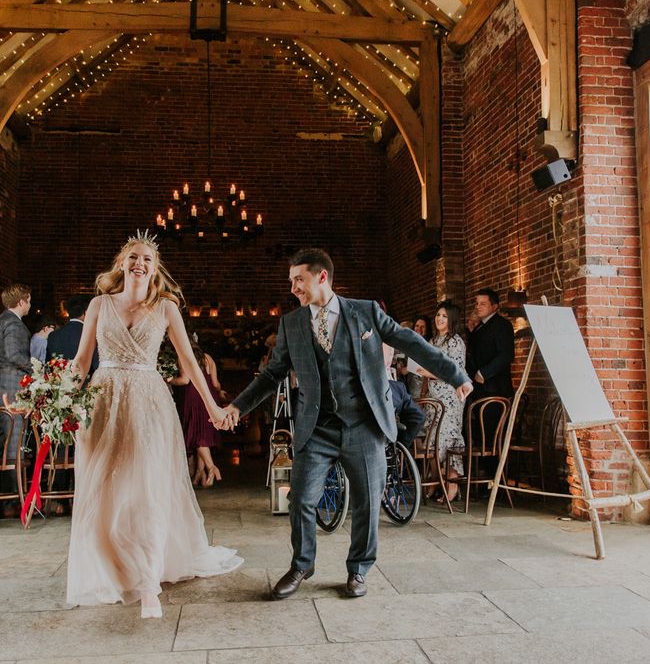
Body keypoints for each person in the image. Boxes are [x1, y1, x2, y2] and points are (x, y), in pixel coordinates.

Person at [221, 248, 472, 600]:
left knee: (368, 502)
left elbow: (410, 342)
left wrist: (456, 374)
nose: (293, 288)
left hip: (363, 424)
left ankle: (359, 570)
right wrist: (237, 405)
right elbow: (271, 375)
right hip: (316, 426)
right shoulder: (291, 324)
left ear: (321, 277)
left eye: (299, 280)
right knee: (301, 501)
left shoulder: (366, 312)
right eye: (291, 281)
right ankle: (302, 564)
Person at [66, 232, 242, 619]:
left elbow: (190, 364)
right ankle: (111, 572)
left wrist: (213, 407)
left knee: (146, 490)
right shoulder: (99, 304)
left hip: (148, 404)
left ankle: (148, 583)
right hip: (103, 403)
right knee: (104, 491)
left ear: (155, 268)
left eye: (147, 258)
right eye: (133, 257)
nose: (140, 263)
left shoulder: (166, 309)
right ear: (122, 264)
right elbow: (81, 362)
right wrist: (58, 398)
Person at [417, 302, 467, 503]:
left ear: (451, 319)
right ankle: (436, 480)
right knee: (432, 439)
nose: (439, 319)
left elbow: (454, 370)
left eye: (444, 316)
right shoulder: (432, 341)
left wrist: (428, 372)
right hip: (433, 398)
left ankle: (452, 483)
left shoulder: (455, 342)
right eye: (438, 315)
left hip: (450, 399)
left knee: (447, 439)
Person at [171, 336, 227, 488]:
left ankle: (211, 468)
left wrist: (167, 379)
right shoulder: (207, 358)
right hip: (210, 399)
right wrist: (219, 393)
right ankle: (199, 475)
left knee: (197, 436)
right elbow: (215, 384)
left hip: (194, 398)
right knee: (202, 435)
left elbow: (184, 380)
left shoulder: (184, 357)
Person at [466, 288, 515, 455]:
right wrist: (470, 332)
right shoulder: (480, 327)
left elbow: (506, 355)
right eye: (477, 303)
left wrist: (483, 373)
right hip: (480, 390)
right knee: (482, 435)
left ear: (495, 307)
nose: (478, 307)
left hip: (495, 389)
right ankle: (486, 474)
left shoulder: (502, 325)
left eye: (483, 304)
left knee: (493, 436)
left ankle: (495, 475)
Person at [0, 284, 32, 518]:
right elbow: (13, 354)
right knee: (14, 437)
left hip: (4, 382)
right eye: (29, 300)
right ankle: (12, 498)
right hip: (12, 384)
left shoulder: (2, 320)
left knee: (7, 437)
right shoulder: (13, 324)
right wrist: (35, 369)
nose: (30, 305)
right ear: (22, 301)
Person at [47, 295, 99, 376]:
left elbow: (49, 366)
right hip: (86, 385)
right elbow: (96, 365)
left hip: (59, 385)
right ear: (85, 313)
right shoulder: (92, 335)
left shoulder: (53, 335)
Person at [404, 315, 432, 399]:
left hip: (422, 386)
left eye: (423, 327)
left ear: (427, 330)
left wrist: (405, 369)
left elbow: (426, 365)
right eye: (417, 326)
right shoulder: (413, 343)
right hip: (411, 384)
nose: (419, 329)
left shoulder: (428, 344)